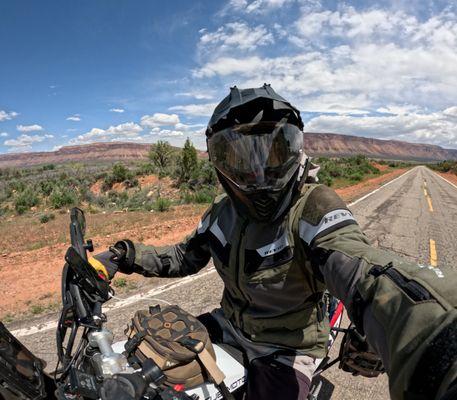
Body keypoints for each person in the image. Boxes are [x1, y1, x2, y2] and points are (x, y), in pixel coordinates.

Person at [90, 84, 457, 400]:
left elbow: (361, 268)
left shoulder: (313, 206)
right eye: (239, 157)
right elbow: (184, 257)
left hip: (287, 346)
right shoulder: (223, 211)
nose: (257, 171)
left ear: (294, 152)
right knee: (143, 365)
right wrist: (123, 255)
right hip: (229, 323)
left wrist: (435, 336)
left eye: (273, 152)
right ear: (219, 163)